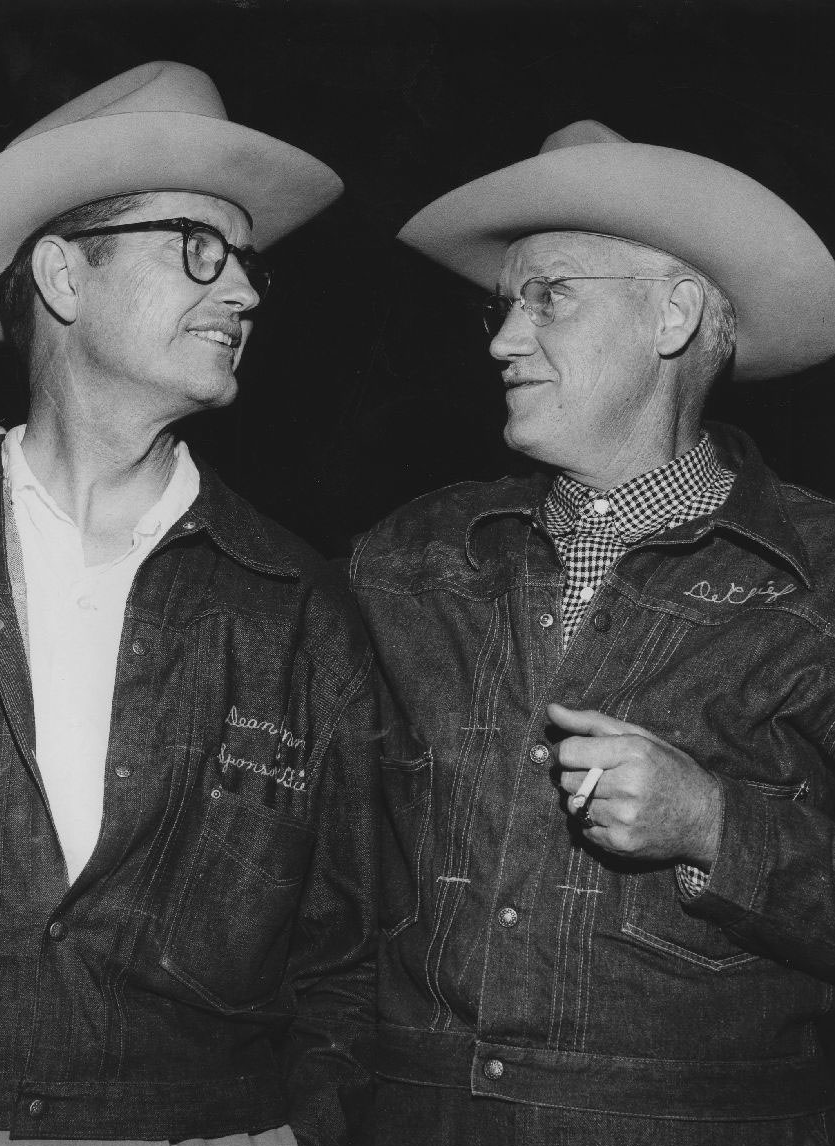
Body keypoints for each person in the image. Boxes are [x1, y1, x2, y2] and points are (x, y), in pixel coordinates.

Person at [346, 121, 835, 1143]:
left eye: (549, 295)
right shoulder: (406, 559)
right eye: (501, 304)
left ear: (673, 314)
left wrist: (711, 824)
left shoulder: (817, 576)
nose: (501, 339)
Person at [0, 61, 378, 1146]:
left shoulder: (295, 610)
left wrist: (299, 1132)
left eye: (248, 263)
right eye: (197, 250)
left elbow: (354, 955)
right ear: (65, 279)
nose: (245, 291)